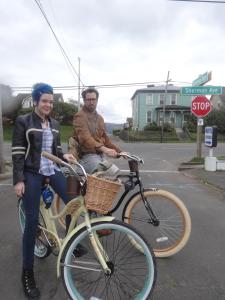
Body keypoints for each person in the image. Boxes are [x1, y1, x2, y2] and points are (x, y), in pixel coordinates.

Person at [12, 83, 77, 299]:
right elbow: (18, 152)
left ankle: (71, 242)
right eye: (44, 101)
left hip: (53, 169)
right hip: (32, 173)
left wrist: (64, 156)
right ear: (36, 101)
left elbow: (55, 149)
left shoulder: (55, 123)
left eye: (51, 101)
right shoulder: (24, 121)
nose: (49, 104)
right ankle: (27, 273)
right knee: (31, 222)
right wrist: (19, 180)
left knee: (74, 201)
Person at [72, 87, 123, 174]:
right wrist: (105, 149)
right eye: (88, 99)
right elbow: (85, 138)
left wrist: (120, 152)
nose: (91, 102)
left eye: (93, 99)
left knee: (115, 173)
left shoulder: (100, 119)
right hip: (87, 157)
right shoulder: (79, 117)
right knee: (107, 174)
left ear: (97, 100)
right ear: (84, 100)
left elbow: (105, 139)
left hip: (100, 156)